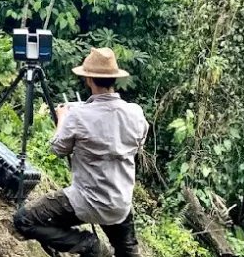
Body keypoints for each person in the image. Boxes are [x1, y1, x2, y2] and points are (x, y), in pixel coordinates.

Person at [13, 47, 149, 257]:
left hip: (85, 201)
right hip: (120, 203)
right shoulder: (136, 113)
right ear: (114, 79)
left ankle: (87, 244)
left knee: (24, 220)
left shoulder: (78, 116)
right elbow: (138, 144)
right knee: (128, 252)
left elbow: (58, 148)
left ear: (88, 79)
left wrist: (63, 120)